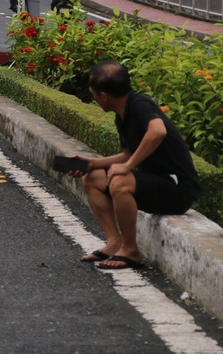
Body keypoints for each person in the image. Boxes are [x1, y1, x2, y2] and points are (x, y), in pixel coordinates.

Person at [70, 61, 201, 270]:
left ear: (103, 95)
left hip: (179, 189)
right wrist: (92, 163)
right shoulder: (122, 115)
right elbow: (127, 155)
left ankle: (130, 250)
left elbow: (158, 131)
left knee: (120, 180)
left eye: (93, 94)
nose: (93, 98)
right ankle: (115, 242)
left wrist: (128, 166)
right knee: (93, 177)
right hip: (156, 183)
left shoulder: (140, 105)